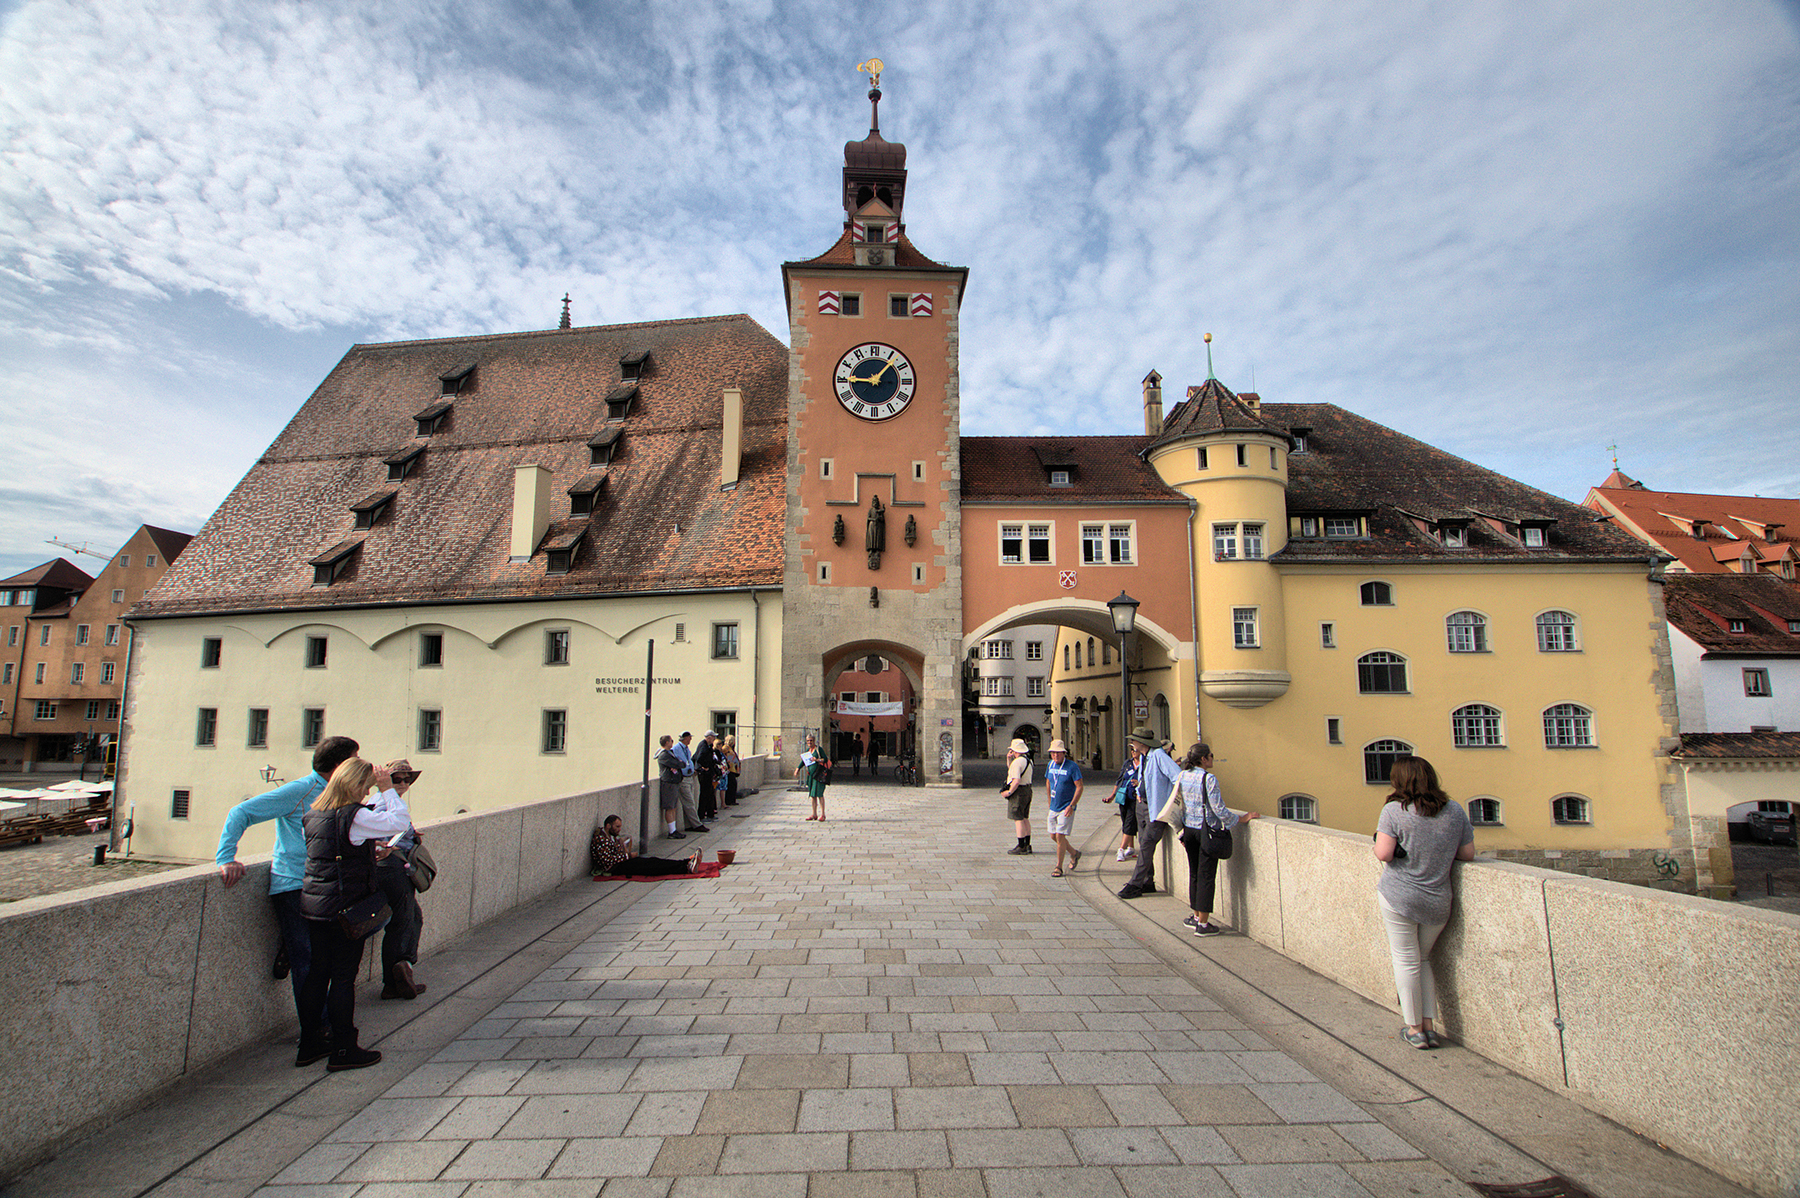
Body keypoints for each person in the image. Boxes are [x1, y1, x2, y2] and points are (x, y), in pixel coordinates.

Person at [216, 734, 360, 1050]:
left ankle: (324, 1027)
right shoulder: (301, 790)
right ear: (338, 766)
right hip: (294, 886)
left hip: (326, 888)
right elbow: (241, 813)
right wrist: (226, 858)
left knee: (324, 959)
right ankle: (316, 1031)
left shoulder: (340, 794)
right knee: (307, 959)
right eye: (353, 760)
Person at [296, 758, 411, 1071]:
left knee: (318, 973)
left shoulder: (313, 814)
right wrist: (388, 789)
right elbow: (400, 822)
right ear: (355, 786)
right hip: (346, 908)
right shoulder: (355, 815)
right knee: (343, 977)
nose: (366, 793)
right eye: (366, 787)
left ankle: (309, 1043)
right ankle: (344, 1048)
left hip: (315, 905)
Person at [1373, 756, 1475, 1049]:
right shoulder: (1454, 811)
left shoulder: (1395, 810)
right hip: (1438, 900)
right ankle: (1430, 1026)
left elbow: (1384, 853)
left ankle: (1414, 1028)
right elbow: (1467, 854)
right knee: (1423, 959)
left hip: (1400, 896)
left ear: (1399, 781)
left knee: (1405, 958)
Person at [1176, 743, 1258, 937]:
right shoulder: (1208, 779)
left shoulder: (1183, 775)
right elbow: (1219, 809)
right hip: (1206, 831)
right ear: (1204, 759)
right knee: (1206, 876)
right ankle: (1203, 925)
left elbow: (1179, 803)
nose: (1212, 759)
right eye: (1211, 756)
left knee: (1194, 872)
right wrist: (1241, 818)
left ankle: (1195, 916)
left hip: (1189, 829)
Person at [374, 759, 427, 1000]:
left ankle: (402, 970)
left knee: (410, 918)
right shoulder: (381, 801)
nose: (404, 783)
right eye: (398, 779)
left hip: (394, 865)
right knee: (403, 921)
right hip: (391, 867)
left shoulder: (391, 801)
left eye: (408, 779)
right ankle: (397, 976)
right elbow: (375, 832)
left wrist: (410, 835)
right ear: (386, 780)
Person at [1118, 728, 1180, 897]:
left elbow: (1177, 777)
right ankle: (1147, 881)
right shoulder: (1145, 757)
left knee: (1146, 845)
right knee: (1144, 842)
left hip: (1156, 809)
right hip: (1143, 805)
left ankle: (1135, 884)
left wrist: (1169, 803)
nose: (1132, 744)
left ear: (1141, 743)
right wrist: (1139, 793)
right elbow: (1145, 778)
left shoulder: (1159, 756)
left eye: (1134, 741)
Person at [590, 814, 702, 876]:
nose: (619, 830)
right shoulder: (601, 840)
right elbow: (607, 862)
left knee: (653, 861)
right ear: (608, 826)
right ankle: (686, 867)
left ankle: (685, 862)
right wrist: (628, 856)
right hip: (616, 867)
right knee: (651, 866)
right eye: (617, 827)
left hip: (623, 861)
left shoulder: (610, 836)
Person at [1043, 738, 1084, 876]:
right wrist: (1049, 801)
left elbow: (1079, 787)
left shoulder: (1072, 767)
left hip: (1066, 807)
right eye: (1053, 753)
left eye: (1058, 753)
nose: (1055, 756)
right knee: (1053, 836)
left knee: (1060, 836)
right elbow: (1048, 782)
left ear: (1064, 753)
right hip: (1054, 806)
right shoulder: (1050, 765)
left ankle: (1058, 867)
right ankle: (1074, 853)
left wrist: (1072, 805)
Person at [1001, 737, 1034, 854]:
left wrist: (1009, 792)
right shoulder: (1028, 761)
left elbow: (1016, 779)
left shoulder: (1017, 762)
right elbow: (1013, 770)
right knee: (1025, 817)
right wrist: (1008, 760)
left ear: (1015, 750)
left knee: (1018, 819)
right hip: (1028, 790)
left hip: (1018, 792)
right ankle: (1028, 844)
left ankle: (1021, 846)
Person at [673, 731, 708, 832]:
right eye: (689, 737)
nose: (690, 739)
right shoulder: (676, 748)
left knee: (689, 802)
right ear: (684, 738)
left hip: (690, 776)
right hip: (683, 778)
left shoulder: (686, 749)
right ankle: (697, 824)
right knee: (689, 802)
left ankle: (689, 825)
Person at [655, 735, 686, 840]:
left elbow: (681, 764)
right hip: (668, 783)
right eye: (671, 741)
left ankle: (674, 829)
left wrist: (679, 764)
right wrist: (679, 764)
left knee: (673, 807)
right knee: (669, 807)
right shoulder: (664, 755)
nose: (672, 742)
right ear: (667, 742)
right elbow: (678, 763)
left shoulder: (670, 753)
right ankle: (671, 831)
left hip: (674, 782)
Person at [1115, 736, 1142, 862]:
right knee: (1125, 821)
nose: (1133, 752)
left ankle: (1121, 849)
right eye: (1132, 750)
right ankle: (1131, 846)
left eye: (1135, 750)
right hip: (1124, 797)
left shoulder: (1145, 764)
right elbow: (1120, 780)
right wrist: (1112, 795)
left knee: (1129, 823)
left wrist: (1139, 783)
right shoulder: (1128, 763)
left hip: (1136, 798)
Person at [798, 733, 831, 820]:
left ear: (814, 741)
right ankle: (814, 814)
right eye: (808, 741)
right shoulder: (808, 750)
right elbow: (803, 761)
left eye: (811, 741)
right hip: (811, 776)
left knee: (819, 794)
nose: (809, 742)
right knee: (812, 795)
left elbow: (825, 759)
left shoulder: (818, 749)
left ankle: (823, 814)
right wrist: (798, 768)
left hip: (819, 775)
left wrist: (817, 760)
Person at [695, 731, 720, 822]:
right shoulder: (703, 746)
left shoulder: (708, 746)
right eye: (713, 737)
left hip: (708, 773)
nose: (714, 739)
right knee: (705, 794)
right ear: (709, 737)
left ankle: (710, 814)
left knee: (710, 794)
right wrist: (704, 767)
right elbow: (699, 758)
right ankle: (702, 815)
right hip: (704, 774)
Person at [721, 733, 742, 807]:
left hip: (733, 769)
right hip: (729, 769)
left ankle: (732, 800)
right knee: (731, 785)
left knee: (733, 785)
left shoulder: (730, 748)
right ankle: (729, 800)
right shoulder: (725, 748)